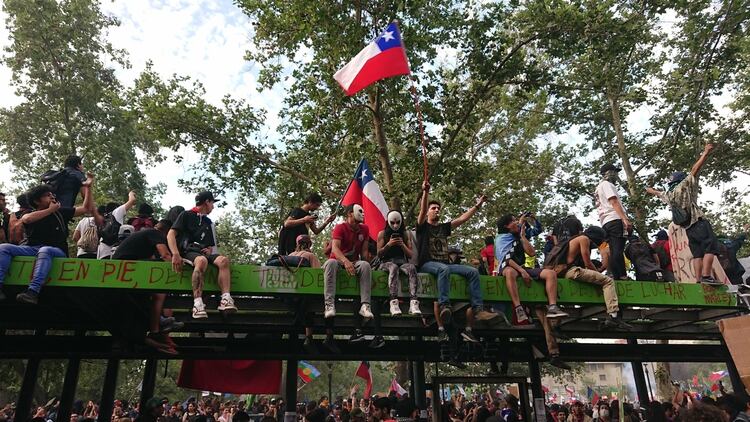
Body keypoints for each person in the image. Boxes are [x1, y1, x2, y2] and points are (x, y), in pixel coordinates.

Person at [417, 180, 498, 344]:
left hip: (445, 265)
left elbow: (462, 219)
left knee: (472, 272)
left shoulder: (444, 228)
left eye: (438, 208)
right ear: (427, 213)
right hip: (428, 264)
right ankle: (444, 305)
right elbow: (422, 210)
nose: (437, 210)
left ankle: (478, 309)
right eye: (433, 208)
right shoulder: (423, 227)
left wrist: (477, 205)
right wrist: (425, 192)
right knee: (443, 270)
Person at [0, 182, 94, 303]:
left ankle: (32, 292)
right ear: (37, 201)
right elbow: (27, 219)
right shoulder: (29, 213)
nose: (52, 197)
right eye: (47, 195)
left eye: (52, 194)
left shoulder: (61, 212)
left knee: (45, 250)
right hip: (33, 249)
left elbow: (86, 209)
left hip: (56, 250)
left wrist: (88, 188)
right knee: (3, 248)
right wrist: (49, 210)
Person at [646, 143, 721, 284]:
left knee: (697, 254)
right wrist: (705, 153)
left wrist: (650, 190)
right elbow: (695, 169)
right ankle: (706, 276)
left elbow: (658, 193)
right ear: (681, 179)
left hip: (688, 229)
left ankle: (698, 280)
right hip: (698, 222)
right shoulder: (684, 186)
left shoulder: (669, 194)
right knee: (710, 248)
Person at [545, 226, 632, 329]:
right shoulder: (584, 239)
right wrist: (599, 273)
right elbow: (588, 263)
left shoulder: (573, 239)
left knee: (599, 281)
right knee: (608, 281)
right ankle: (613, 315)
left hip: (560, 272)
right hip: (570, 271)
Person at [113, 219, 179, 354]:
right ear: (167, 232)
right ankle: (156, 327)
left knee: (151, 293)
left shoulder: (144, 237)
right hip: (126, 268)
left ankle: (158, 322)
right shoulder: (156, 234)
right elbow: (166, 256)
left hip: (125, 269)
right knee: (160, 292)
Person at [168, 191, 237, 318]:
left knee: (223, 260)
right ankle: (197, 303)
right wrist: (175, 254)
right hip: (189, 251)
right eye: (212, 203)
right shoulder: (186, 215)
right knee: (201, 261)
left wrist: (209, 249)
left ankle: (226, 298)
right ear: (207, 202)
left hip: (202, 251)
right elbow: (171, 234)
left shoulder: (208, 221)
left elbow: (210, 245)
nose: (213, 207)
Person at [494, 213, 568, 326]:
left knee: (550, 273)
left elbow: (531, 253)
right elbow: (506, 259)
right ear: (506, 226)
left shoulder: (518, 236)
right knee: (510, 271)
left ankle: (553, 307)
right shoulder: (501, 238)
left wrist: (522, 237)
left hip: (522, 268)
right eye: (514, 221)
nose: (518, 223)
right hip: (509, 268)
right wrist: (522, 271)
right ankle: (518, 308)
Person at [322, 204, 373, 320]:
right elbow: (335, 249)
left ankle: (365, 305)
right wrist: (345, 261)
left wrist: (370, 266)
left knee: (365, 265)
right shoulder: (340, 227)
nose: (362, 213)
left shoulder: (365, 229)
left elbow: (364, 252)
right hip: (338, 261)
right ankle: (329, 305)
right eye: (359, 211)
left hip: (354, 262)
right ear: (349, 213)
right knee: (331, 263)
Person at [376, 210, 420, 316]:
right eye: (392, 223)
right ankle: (393, 301)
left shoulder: (405, 234)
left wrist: (402, 245)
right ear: (388, 222)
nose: (395, 225)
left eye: (397, 222)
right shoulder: (382, 234)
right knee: (393, 267)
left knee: (412, 268)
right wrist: (389, 244)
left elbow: (410, 255)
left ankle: (414, 302)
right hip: (386, 262)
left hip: (402, 261)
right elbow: (379, 254)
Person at [595, 163, 632, 280]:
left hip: (605, 222)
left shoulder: (598, 188)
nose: (616, 175)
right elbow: (614, 201)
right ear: (608, 173)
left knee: (612, 249)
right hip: (615, 219)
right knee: (618, 249)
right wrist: (624, 219)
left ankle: (616, 275)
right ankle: (622, 275)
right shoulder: (607, 185)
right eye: (614, 172)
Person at [95, 191, 138, 259]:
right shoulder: (117, 212)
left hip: (102, 251)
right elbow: (132, 200)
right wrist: (131, 193)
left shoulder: (106, 218)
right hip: (110, 252)